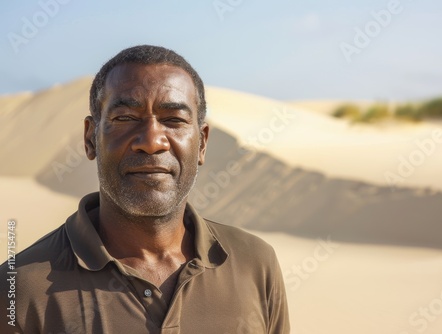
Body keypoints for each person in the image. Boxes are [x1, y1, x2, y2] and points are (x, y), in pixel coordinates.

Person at [0, 45, 290, 333]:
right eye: (125, 118)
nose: (151, 141)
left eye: (174, 120)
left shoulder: (255, 265)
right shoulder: (19, 288)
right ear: (90, 138)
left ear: (202, 143)